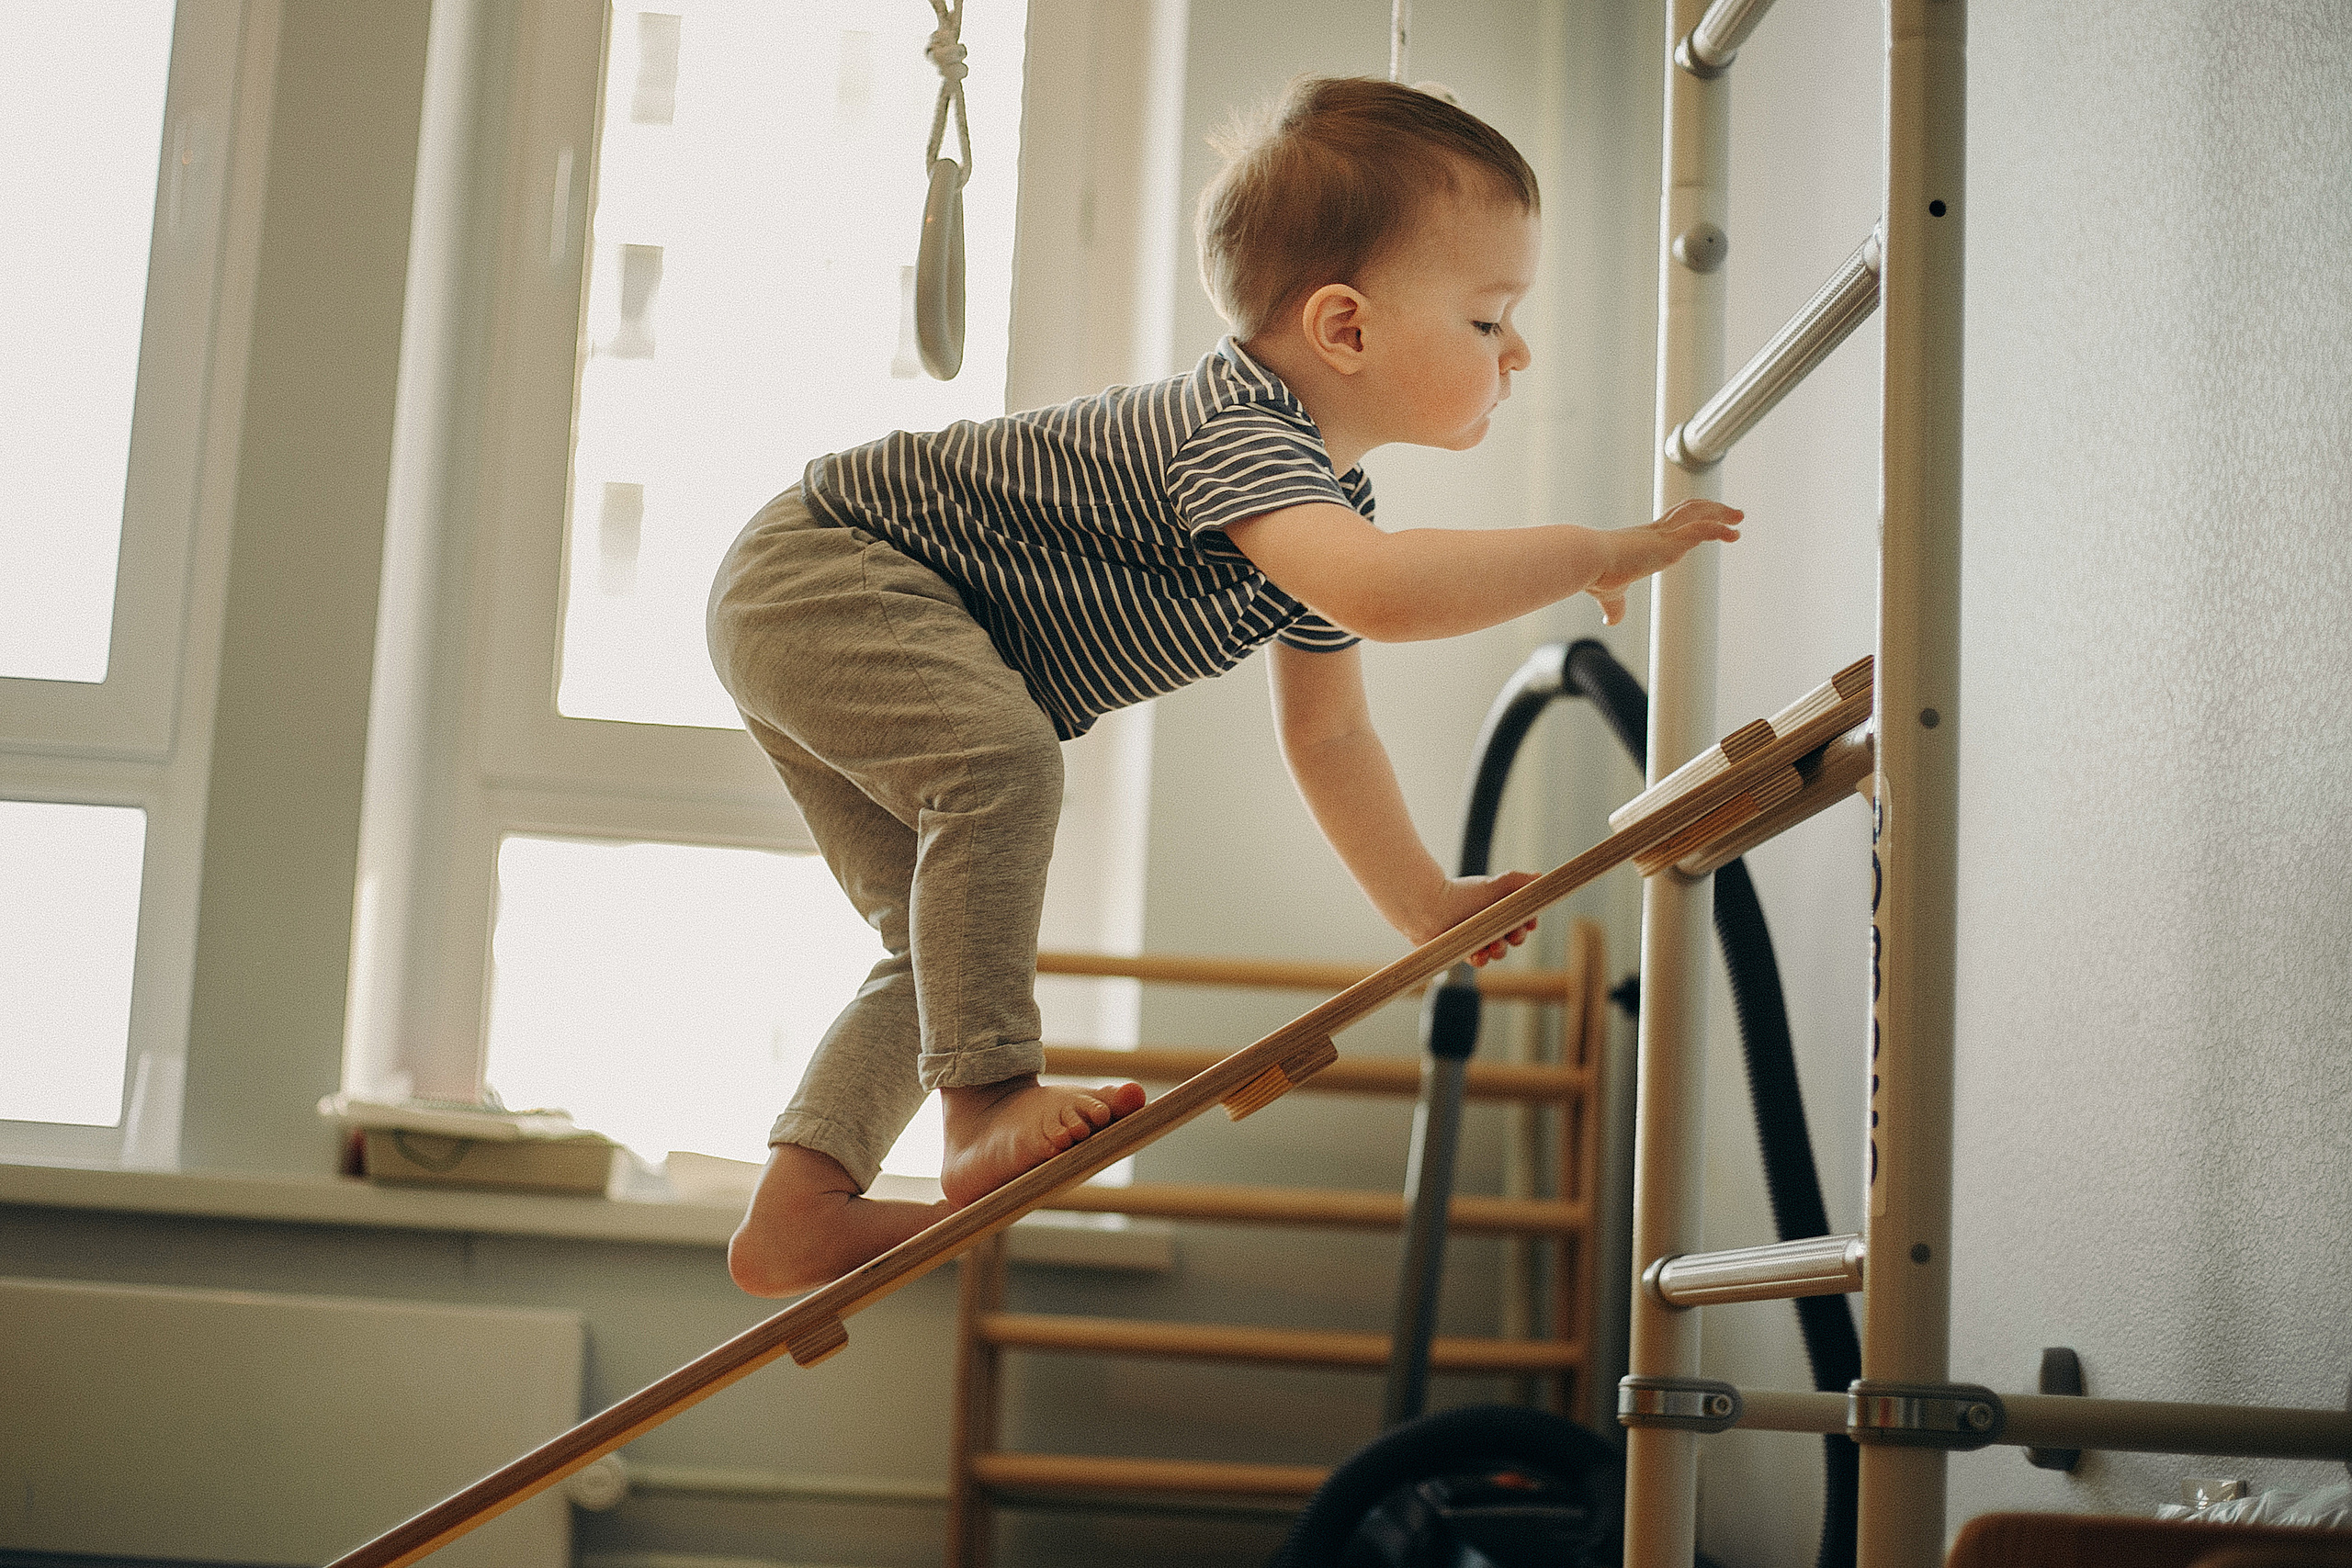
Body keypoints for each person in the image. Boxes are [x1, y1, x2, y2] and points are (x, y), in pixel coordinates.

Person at [707, 76, 1740, 1296]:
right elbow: (1386, 596)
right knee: (1001, 767)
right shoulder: (1238, 431)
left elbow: (1332, 731)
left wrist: (1419, 902)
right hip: (829, 567)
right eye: (1488, 319)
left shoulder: (1319, 506)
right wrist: (1590, 552)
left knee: (929, 951)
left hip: (808, 603)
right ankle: (982, 1105)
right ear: (1346, 330)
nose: (1518, 351)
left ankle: (799, 1212)